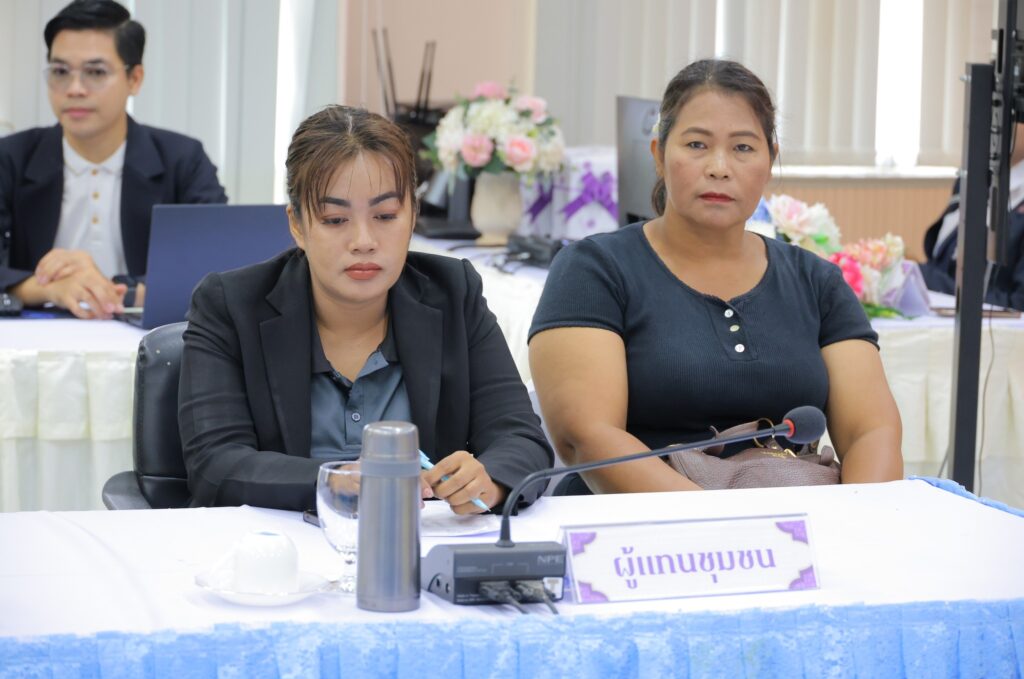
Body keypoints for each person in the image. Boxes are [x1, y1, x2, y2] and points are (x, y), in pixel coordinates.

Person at [529, 59, 903, 495]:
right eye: (696, 145)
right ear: (658, 155)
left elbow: (870, 431)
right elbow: (587, 436)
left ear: (770, 161)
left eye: (743, 148)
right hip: (638, 522)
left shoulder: (816, 281)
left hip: (795, 517)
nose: (719, 167)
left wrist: (859, 517)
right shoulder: (594, 269)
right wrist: (720, 525)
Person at [178, 105, 552, 512]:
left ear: (413, 217)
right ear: (298, 225)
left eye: (385, 215)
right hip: (275, 541)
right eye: (335, 219)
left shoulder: (453, 293)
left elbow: (520, 439)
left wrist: (489, 481)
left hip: (418, 540)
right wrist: (336, 481)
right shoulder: (230, 304)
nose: (364, 241)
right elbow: (215, 465)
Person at [0, 0, 227, 319]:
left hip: (146, 335)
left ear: (135, 79)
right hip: (38, 333)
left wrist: (117, 289)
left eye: (95, 72)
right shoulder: (11, 157)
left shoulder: (182, 159)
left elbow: (218, 266)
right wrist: (48, 288)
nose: (75, 89)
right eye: (60, 72)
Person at [921, 122, 1024, 311]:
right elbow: (941, 262)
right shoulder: (970, 179)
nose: (995, 121)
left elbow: (1019, 304)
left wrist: (930, 280)